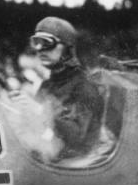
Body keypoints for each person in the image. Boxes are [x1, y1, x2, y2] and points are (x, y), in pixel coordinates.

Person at [10, 17, 105, 162]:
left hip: (76, 166)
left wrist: (39, 110)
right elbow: (35, 129)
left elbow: (77, 137)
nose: (40, 49)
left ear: (67, 48)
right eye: (36, 43)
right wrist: (19, 109)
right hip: (50, 159)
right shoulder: (46, 85)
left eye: (47, 43)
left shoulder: (84, 86)